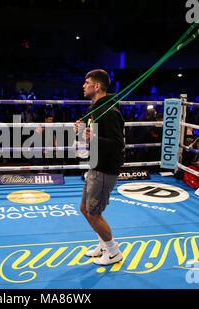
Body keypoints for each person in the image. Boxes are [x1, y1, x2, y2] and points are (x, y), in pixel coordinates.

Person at [75, 69, 125, 266]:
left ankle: (113, 252)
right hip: (95, 165)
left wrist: (92, 137)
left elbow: (116, 143)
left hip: (105, 168)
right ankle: (104, 244)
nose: (84, 86)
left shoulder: (110, 111)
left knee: (94, 213)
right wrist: (80, 129)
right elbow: (88, 135)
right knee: (84, 208)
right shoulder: (95, 108)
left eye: (87, 82)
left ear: (97, 86)